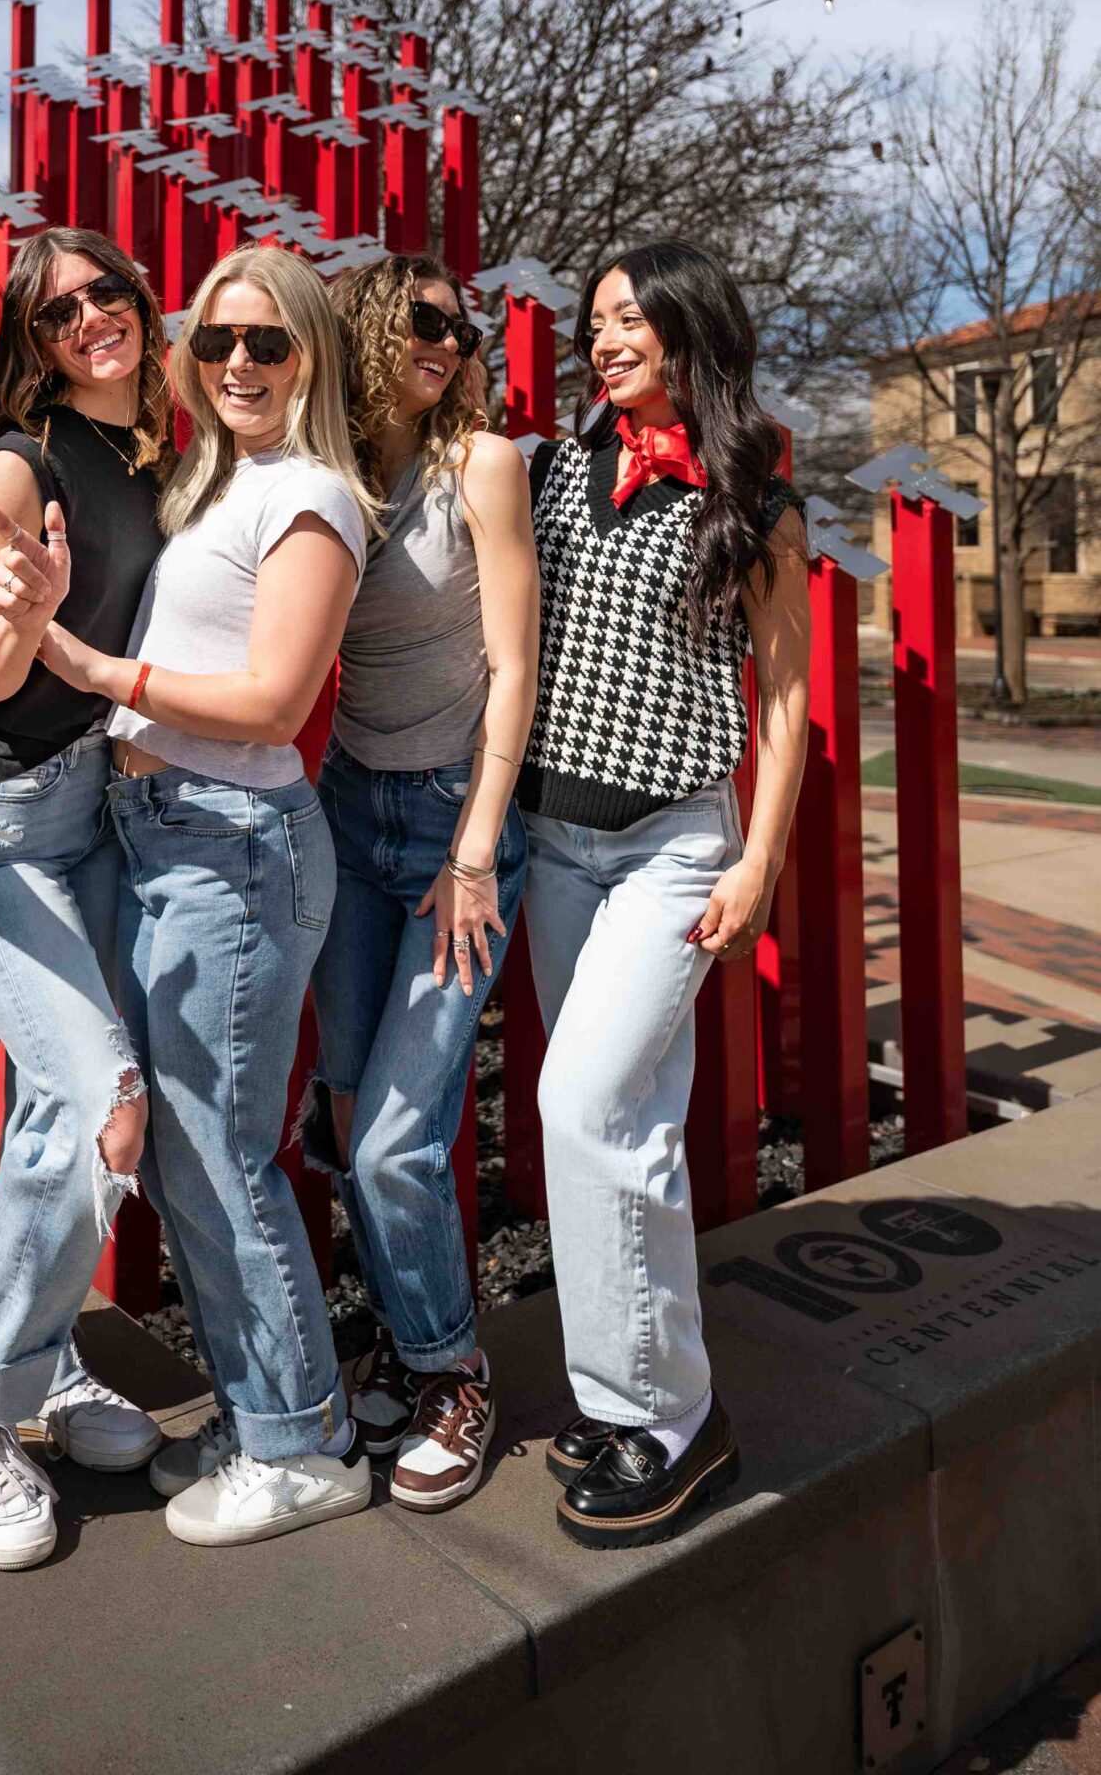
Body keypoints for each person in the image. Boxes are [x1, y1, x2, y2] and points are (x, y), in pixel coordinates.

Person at [22, 244, 377, 1549]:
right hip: (164, 830)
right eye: (217, 341)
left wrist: (91, 667)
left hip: (230, 841)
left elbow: (275, 702)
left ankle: (304, 1443)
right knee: (184, 1154)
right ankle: (258, 1405)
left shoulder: (314, 497)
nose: (237, 364)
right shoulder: (211, 481)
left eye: (268, 343)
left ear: (310, 360)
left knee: (223, 1154)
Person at [518, 238, 809, 1547]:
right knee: (612, 1130)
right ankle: (619, 1394)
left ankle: (672, 1419)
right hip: (551, 844)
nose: (604, 336)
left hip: (669, 849)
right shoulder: (552, 468)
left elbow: (788, 692)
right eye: (594, 321)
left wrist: (757, 857)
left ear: (691, 329)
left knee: (581, 1104)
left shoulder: (753, 495)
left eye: (629, 316)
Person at [0, 228, 171, 1570]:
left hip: (97, 814)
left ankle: (36, 1355)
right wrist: (31, 613)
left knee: (76, 1118)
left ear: (138, 300)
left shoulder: (156, 449)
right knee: (94, 1100)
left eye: (103, 295)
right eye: (56, 311)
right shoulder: (21, 464)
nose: (86, 323)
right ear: (33, 338)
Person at [302, 253, 538, 1512]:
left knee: (399, 1137)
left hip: (457, 820)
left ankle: (451, 1366)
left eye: (459, 323)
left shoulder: (478, 466)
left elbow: (513, 666)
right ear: (366, 333)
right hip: (345, 813)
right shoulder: (327, 477)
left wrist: (473, 852)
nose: (446, 340)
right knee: (350, 1121)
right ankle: (399, 1332)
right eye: (421, 320)